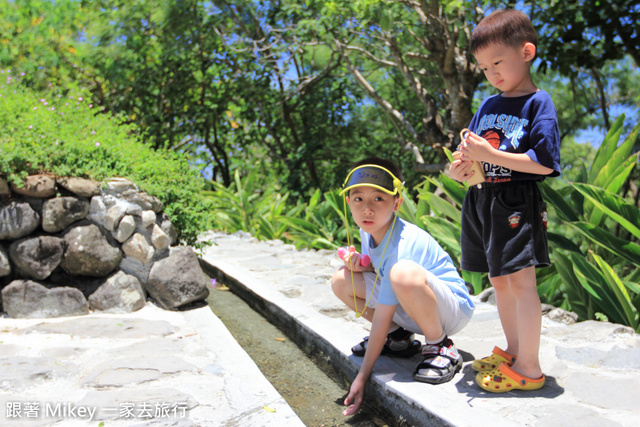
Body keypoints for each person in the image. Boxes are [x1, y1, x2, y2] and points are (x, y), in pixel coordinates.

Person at [449, 9, 561, 393]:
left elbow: (544, 163)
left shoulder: (537, 103)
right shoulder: (487, 106)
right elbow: (478, 161)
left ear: (526, 52)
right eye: (483, 68)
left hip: (516, 201)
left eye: (498, 62)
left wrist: (490, 157)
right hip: (484, 199)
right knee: (498, 279)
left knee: (521, 280)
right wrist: (463, 169)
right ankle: (514, 351)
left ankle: (530, 366)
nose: (491, 73)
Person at [332, 157, 475, 415]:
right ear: (348, 202)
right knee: (341, 280)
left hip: (451, 309)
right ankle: (399, 338)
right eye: (358, 199)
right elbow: (382, 272)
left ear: (397, 202)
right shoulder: (368, 230)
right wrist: (363, 265)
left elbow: (389, 292)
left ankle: (441, 345)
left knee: (401, 272)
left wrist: (362, 376)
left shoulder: (404, 243)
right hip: (413, 301)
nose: (367, 209)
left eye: (378, 199)